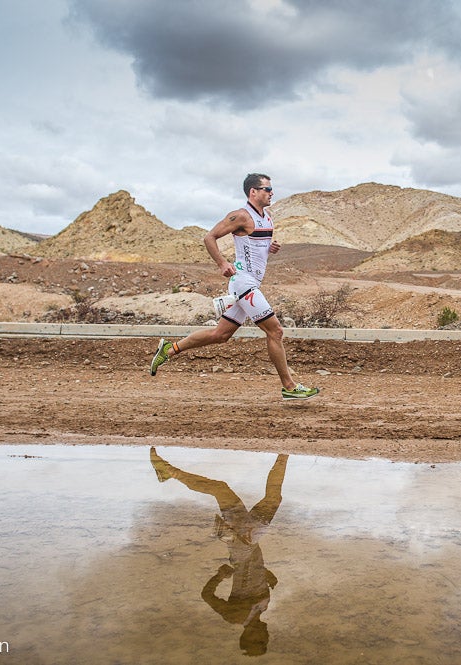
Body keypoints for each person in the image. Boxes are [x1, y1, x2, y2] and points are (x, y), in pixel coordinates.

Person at [149, 173, 319, 400]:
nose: (272, 193)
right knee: (275, 331)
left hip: (249, 283)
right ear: (253, 192)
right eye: (267, 189)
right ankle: (288, 386)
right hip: (243, 283)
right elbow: (209, 237)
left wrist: (270, 248)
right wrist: (222, 263)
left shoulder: (267, 217)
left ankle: (169, 350)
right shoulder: (240, 216)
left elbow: (255, 246)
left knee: (221, 335)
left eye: (271, 189)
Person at [149, 447, 287, 657]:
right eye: (263, 640)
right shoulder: (261, 610)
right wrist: (268, 576)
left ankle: (284, 453)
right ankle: (168, 472)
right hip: (247, 543)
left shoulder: (237, 617)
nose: (263, 635)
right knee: (225, 490)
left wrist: (219, 576)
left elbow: (207, 595)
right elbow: (252, 577)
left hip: (243, 542)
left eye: (257, 640)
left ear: (247, 636)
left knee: (248, 494)